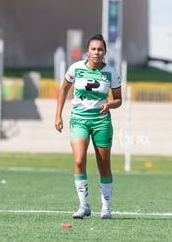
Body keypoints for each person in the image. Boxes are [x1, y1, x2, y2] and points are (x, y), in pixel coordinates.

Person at [55, 34, 122, 219]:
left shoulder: (111, 72)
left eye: (100, 49)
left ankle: (106, 208)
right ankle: (83, 206)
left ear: (105, 52)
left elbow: (119, 100)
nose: (96, 52)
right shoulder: (76, 68)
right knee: (79, 160)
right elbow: (63, 89)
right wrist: (58, 115)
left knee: (104, 163)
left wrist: (109, 105)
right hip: (79, 120)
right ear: (87, 51)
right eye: (93, 49)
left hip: (101, 122)